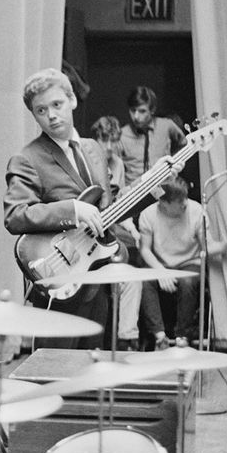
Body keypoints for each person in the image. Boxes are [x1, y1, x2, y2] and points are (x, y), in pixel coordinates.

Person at [3, 68, 127, 348]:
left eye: (57, 105)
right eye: (41, 110)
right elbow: (15, 215)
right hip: (59, 284)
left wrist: (151, 188)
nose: (51, 115)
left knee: (95, 377)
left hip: (100, 279)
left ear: (72, 100)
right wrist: (72, 210)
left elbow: (109, 206)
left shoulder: (93, 148)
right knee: (52, 375)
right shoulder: (27, 158)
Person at [137, 176, 227, 348]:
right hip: (161, 264)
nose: (185, 204)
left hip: (189, 261)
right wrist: (161, 271)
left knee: (188, 281)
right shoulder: (148, 215)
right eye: (179, 201)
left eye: (185, 199)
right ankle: (160, 337)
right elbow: (145, 249)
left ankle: (182, 337)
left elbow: (207, 248)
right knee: (145, 282)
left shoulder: (196, 211)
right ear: (164, 203)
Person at [91, 115, 142, 350]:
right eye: (105, 141)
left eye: (113, 141)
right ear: (96, 139)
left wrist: (132, 228)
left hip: (111, 231)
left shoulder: (118, 164)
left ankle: (125, 338)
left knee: (133, 277)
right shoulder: (87, 159)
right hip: (90, 232)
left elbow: (118, 204)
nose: (109, 148)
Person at [117, 86, 187, 215]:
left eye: (142, 111)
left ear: (152, 110)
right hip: (133, 199)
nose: (136, 116)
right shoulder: (121, 135)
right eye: (133, 111)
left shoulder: (167, 126)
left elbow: (185, 145)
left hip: (165, 197)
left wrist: (175, 164)